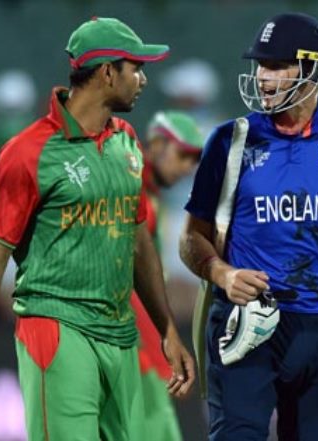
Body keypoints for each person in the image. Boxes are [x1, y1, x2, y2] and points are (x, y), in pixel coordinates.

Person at [0, 17, 194, 440]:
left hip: (120, 335)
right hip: (56, 329)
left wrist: (166, 329)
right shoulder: (27, 153)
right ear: (107, 72)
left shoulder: (127, 142)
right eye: (136, 68)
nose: (143, 80)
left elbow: (139, 244)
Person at [179, 12, 318, 440]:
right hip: (247, 322)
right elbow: (190, 238)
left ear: (312, 69)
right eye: (259, 65)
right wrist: (224, 273)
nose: (261, 76)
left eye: (275, 65)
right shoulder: (229, 140)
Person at [131, 110, 204, 441]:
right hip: (131, 341)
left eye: (194, 160)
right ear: (157, 144)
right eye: (183, 155)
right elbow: (131, 280)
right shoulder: (131, 187)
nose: (188, 167)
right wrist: (164, 340)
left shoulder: (152, 196)